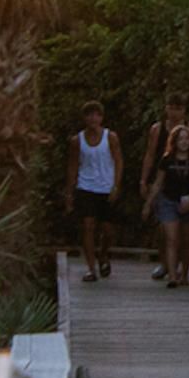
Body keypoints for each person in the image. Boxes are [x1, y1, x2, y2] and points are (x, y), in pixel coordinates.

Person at [143, 92, 189, 287]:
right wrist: (144, 180)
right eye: (171, 107)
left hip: (185, 183)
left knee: (185, 235)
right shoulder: (157, 129)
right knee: (165, 230)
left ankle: (181, 270)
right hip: (164, 180)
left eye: (179, 108)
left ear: (184, 110)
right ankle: (167, 266)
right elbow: (150, 155)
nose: (174, 112)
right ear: (166, 108)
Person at [66, 101, 122, 280]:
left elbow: (119, 161)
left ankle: (103, 254)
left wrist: (116, 185)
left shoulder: (110, 137)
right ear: (84, 118)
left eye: (96, 115)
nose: (93, 118)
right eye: (89, 115)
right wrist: (69, 193)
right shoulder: (77, 140)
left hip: (106, 187)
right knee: (88, 227)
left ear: (101, 117)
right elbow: (73, 166)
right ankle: (91, 269)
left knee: (108, 230)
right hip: (86, 187)